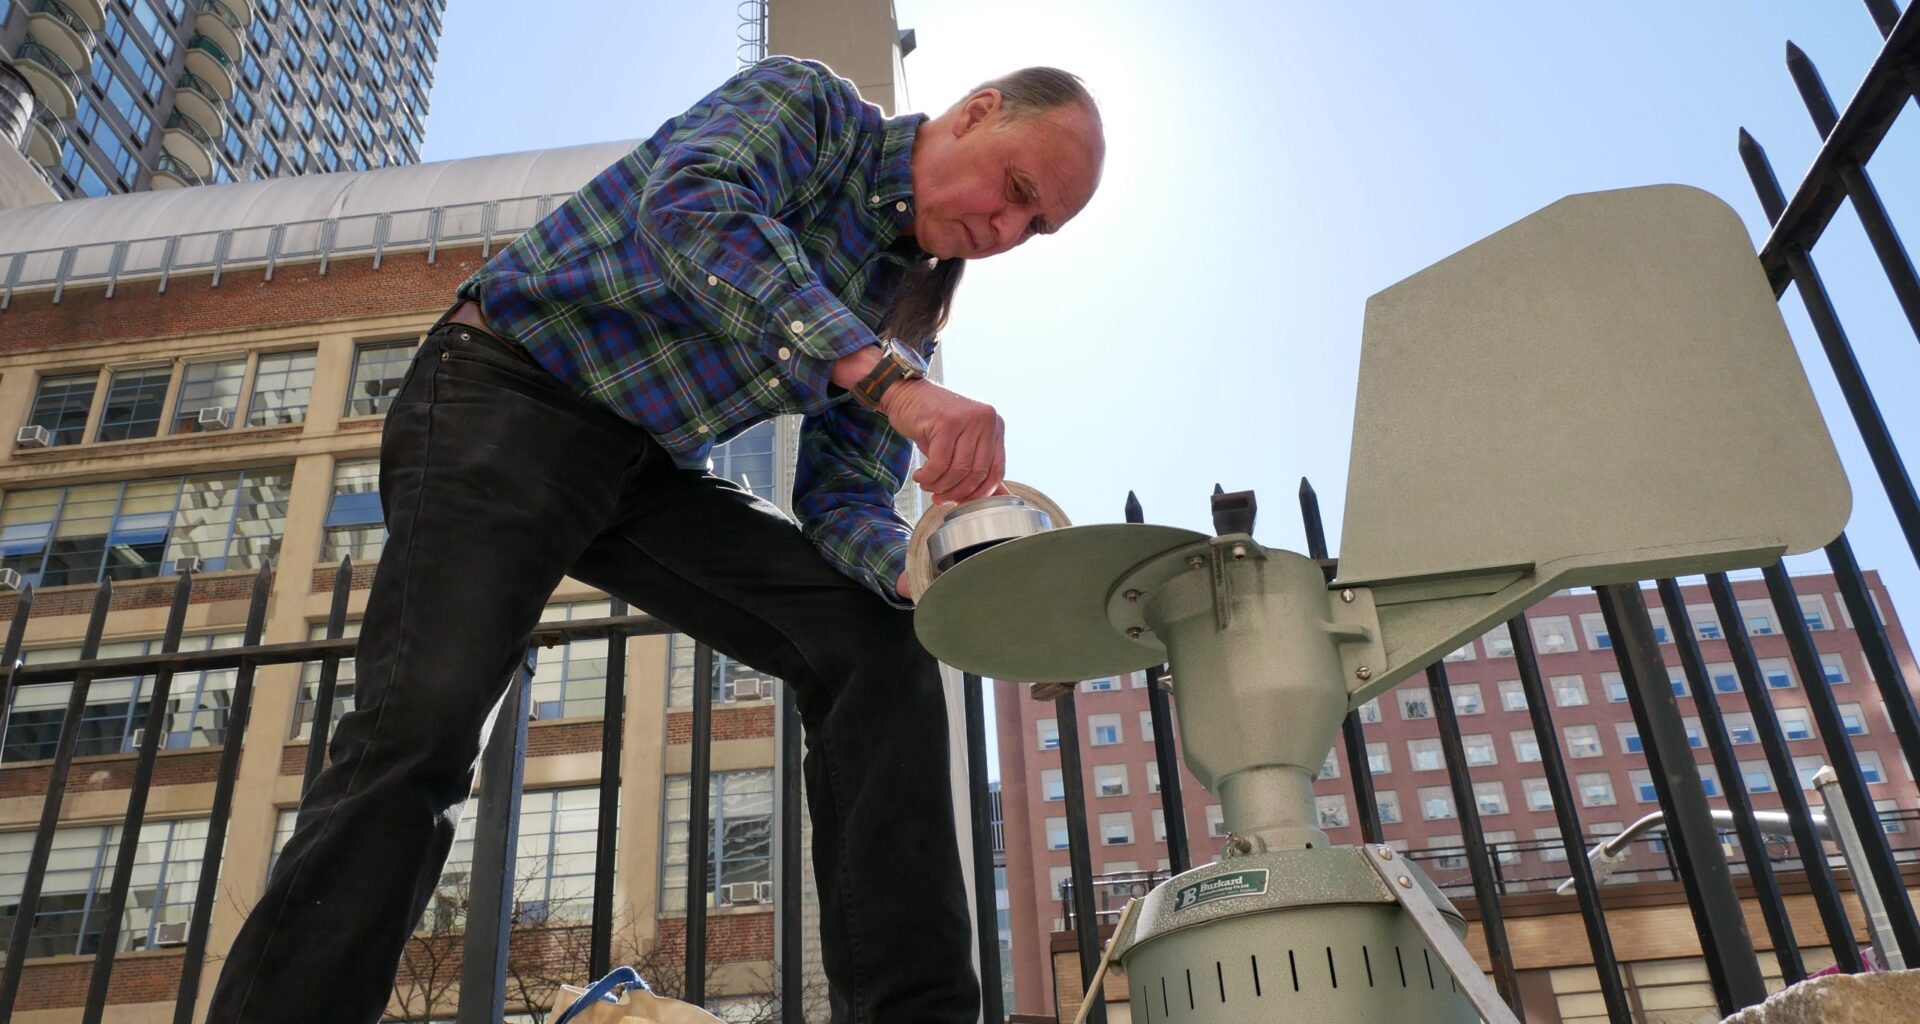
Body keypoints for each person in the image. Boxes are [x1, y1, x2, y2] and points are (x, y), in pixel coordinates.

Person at [206, 56, 1103, 1024]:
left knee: (872, 643)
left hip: (640, 468)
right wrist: (889, 380)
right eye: (1015, 191)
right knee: (421, 726)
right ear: (976, 112)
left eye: (1034, 227)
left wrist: (920, 571)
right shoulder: (812, 110)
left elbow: (842, 494)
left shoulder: (904, 308)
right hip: (505, 389)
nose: (1006, 231)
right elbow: (693, 209)